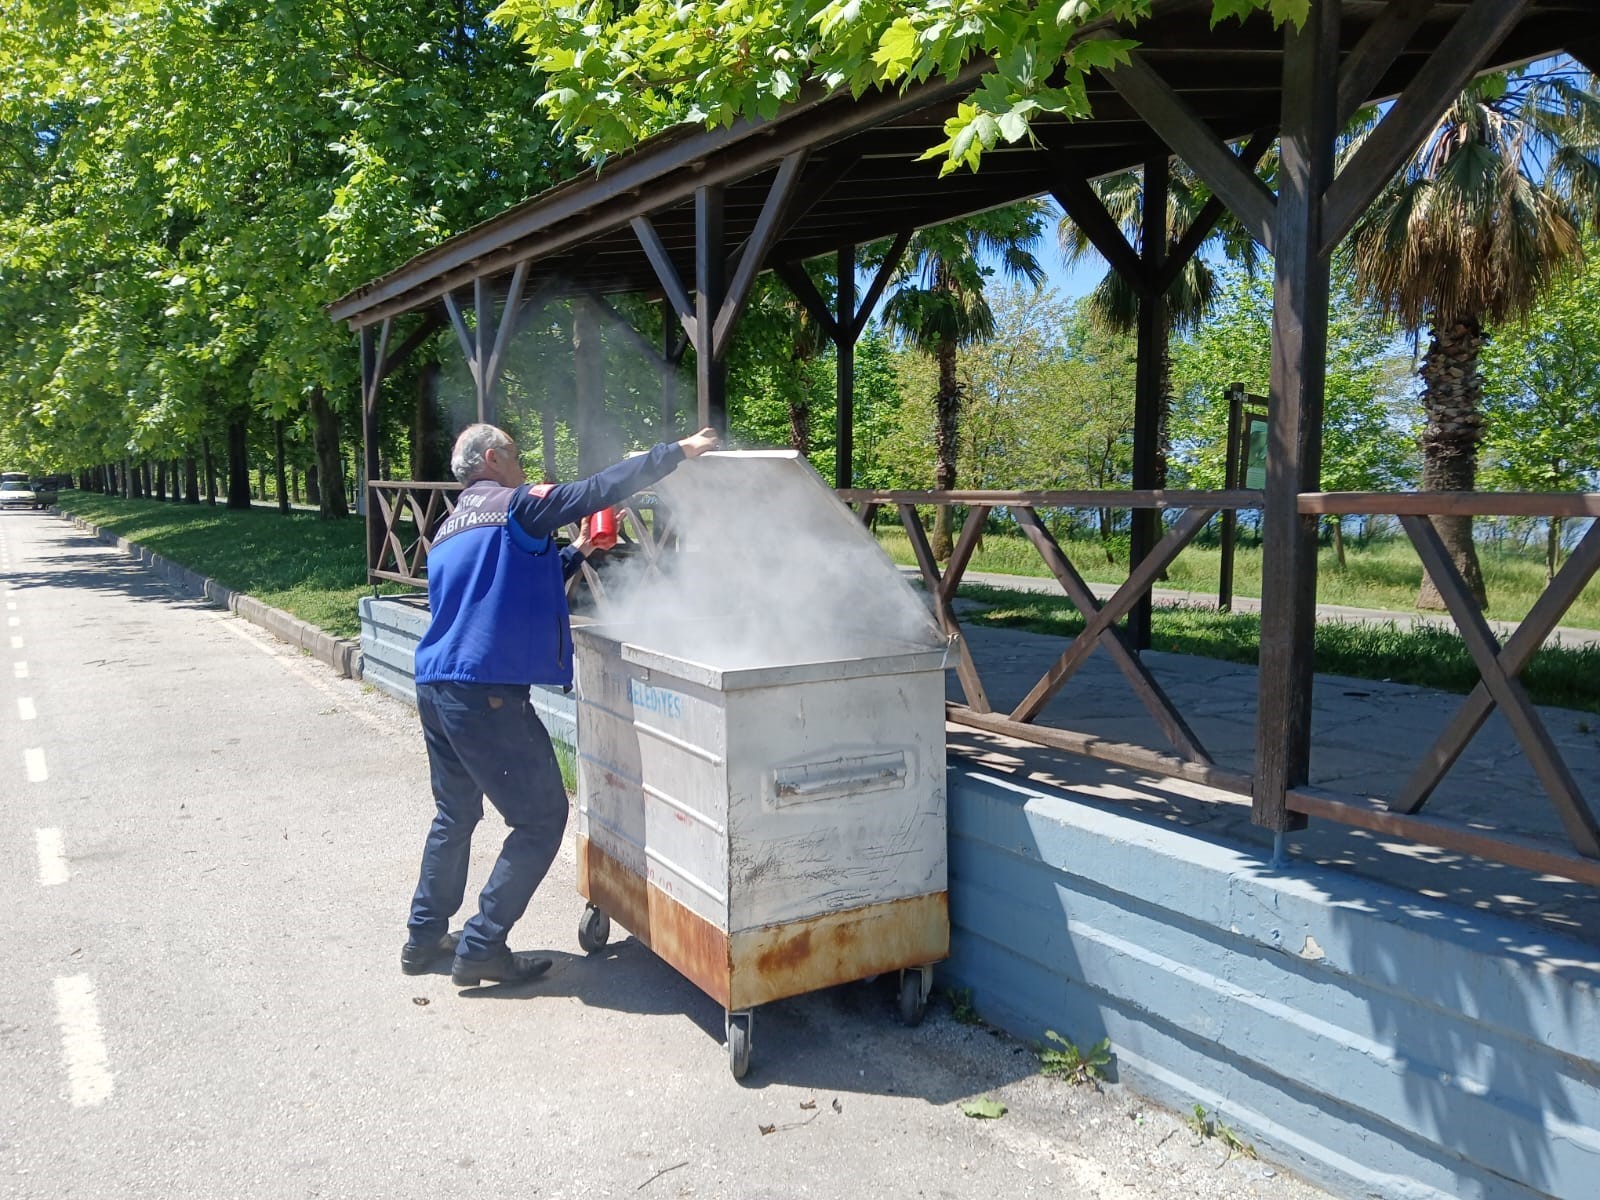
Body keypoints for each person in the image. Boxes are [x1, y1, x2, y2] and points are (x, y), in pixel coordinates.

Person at [402, 422, 719, 984]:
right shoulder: (515, 506)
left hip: (436, 685)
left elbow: (509, 589)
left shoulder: (451, 526)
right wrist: (679, 452)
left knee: (455, 815)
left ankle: (423, 939)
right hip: (487, 695)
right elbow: (597, 489)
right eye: (516, 456)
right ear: (494, 458)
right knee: (542, 818)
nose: (523, 466)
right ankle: (481, 946)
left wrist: (577, 550)